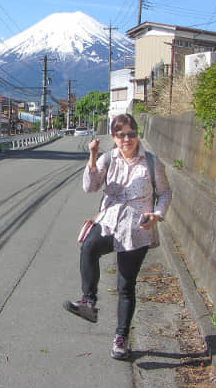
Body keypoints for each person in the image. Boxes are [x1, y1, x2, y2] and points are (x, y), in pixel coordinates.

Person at [63, 113, 172, 360]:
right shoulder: (107, 159)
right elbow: (90, 188)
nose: (127, 139)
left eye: (132, 134)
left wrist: (157, 214)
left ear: (137, 135)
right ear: (114, 137)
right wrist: (92, 156)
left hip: (137, 228)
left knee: (125, 285)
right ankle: (88, 302)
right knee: (89, 246)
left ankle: (121, 338)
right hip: (110, 221)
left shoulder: (152, 163)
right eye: (121, 135)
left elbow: (165, 193)